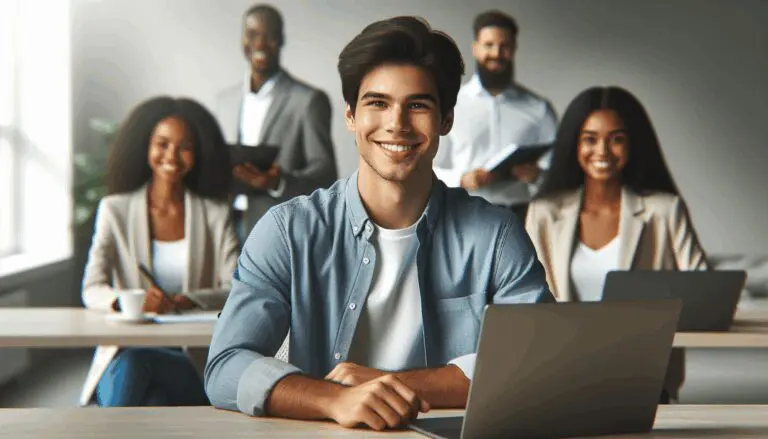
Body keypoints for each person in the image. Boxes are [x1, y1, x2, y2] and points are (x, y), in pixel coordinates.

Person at [205, 16, 554, 430]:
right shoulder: (288, 231)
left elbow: (539, 362)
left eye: (418, 105)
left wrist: (394, 385)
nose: (397, 123)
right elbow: (226, 366)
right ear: (351, 115)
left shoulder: (495, 236)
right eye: (378, 103)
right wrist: (334, 399)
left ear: (446, 121)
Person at [525, 86, 709, 403]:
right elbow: (525, 303)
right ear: (574, 144)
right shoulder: (544, 213)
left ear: (633, 144)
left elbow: (704, 291)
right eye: (590, 138)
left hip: (643, 377)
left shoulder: (664, 211)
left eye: (617, 138)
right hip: (561, 374)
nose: (603, 150)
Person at [80, 96, 239, 407]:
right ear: (146, 147)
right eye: (162, 144)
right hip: (127, 350)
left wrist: (187, 300)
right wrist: (129, 303)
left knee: (139, 367)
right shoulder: (115, 211)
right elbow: (92, 288)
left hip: (191, 358)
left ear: (197, 153)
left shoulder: (215, 214)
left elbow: (236, 285)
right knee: (150, 396)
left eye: (184, 147)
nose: (172, 156)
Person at [215, 3, 338, 241]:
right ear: (243, 40)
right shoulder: (225, 101)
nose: (260, 44)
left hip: (279, 231)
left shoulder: (308, 100)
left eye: (269, 36)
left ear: (281, 40)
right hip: (224, 229)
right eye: (252, 35)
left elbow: (326, 175)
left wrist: (277, 182)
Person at [433, 10, 557, 221]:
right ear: (475, 48)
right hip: (463, 212)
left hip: (521, 216)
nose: (497, 53)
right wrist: (461, 178)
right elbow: (428, 166)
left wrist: (536, 176)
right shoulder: (451, 103)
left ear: (514, 49)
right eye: (489, 45)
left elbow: (559, 172)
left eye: (505, 46)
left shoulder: (539, 109)